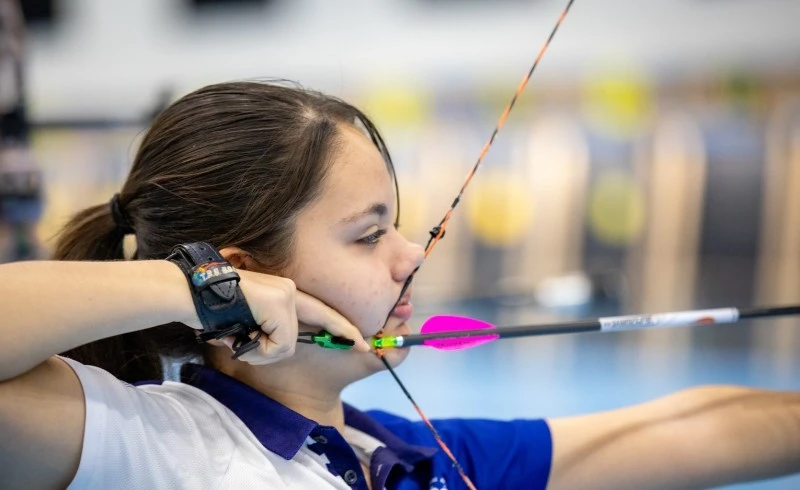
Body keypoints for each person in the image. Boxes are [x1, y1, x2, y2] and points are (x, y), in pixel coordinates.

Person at [0, 81, 798, 490]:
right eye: (368, 233)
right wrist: (191, 287)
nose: (411, 254)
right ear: (245, 276)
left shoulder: (417, 459)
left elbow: (692, 430)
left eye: (399, 225)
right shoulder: (147, 445)